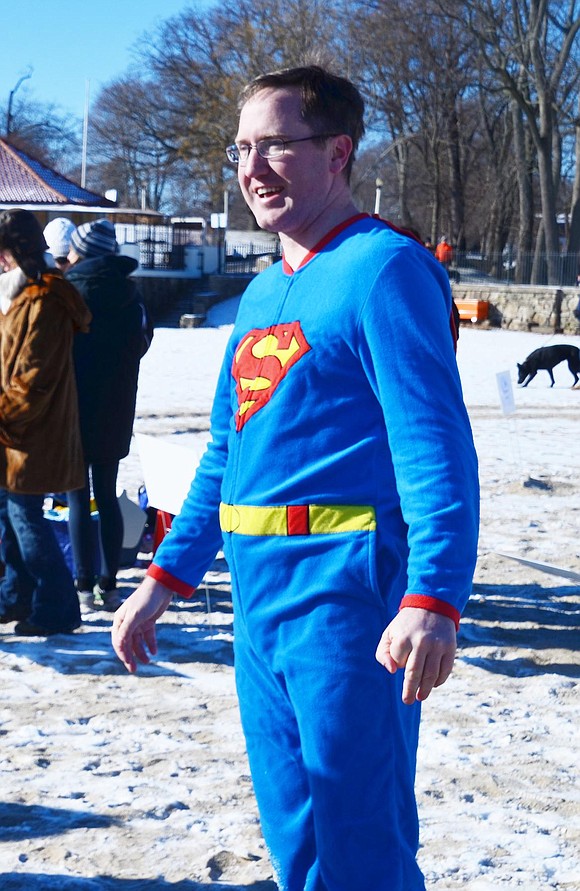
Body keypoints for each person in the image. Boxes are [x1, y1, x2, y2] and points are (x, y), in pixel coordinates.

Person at [112, 66, 479, 890]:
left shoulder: (386, 270)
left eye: (278, 144)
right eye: (242, 148)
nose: (253, 167)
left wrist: (434, 598)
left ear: (338, 152)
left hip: (347, 597)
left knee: (360, 841)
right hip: (257, 600)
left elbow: (435, 445)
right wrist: (164, 579)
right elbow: (224, 453)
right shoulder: (263, 290)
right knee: (297, 840)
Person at [0, 208, 91, 636]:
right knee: (9, 520)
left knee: (27, 522)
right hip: (14, 436)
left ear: (13, 254)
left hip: (34, 437)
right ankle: (15, 594)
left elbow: (33, 381)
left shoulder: (46, 300)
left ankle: (57, 607)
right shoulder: (17, 296)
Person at [65, 219, 150, 611]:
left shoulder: (69, 292)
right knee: (108, 495)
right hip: (116, 409)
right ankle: (109, 584)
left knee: (78, 497)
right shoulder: (132, 296)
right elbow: (142, 343)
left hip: (73, 407)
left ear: (80, 253)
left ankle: (83, 584)